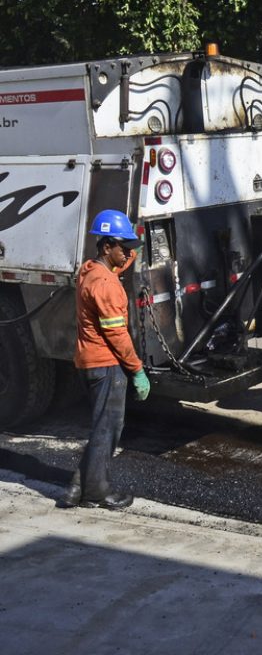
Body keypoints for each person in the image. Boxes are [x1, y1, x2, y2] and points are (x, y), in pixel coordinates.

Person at [61, 210, 150, 510]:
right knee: (108, 428)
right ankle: (97, 493)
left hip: (89, 360)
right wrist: (137, 370)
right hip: (107, 364)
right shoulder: (107, 286)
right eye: (123, 247)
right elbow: (118, 337)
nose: (128, 252)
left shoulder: (90, 271)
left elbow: (123, 260)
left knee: (102, 425)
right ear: (106, 246)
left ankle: (76, 488)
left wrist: (135, 238)